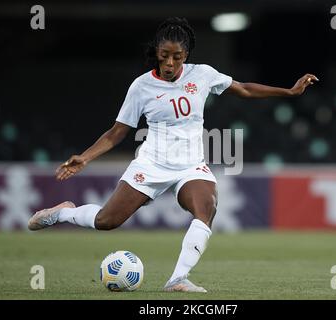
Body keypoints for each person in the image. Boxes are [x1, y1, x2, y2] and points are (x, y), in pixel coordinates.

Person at [28, 17, 318, 293]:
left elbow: (243, 89)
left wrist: (289, 92)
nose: (169, 63)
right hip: (152, 164)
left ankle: (178, 278)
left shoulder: (202, 74)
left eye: (176, 57)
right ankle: (61, 212)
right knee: (107, 221)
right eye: (164, 56)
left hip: (191, 165)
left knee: (207, 209)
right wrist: (86, 157)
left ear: (186, 54)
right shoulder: (141, 87)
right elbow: (117, 132)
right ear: (156, 53)